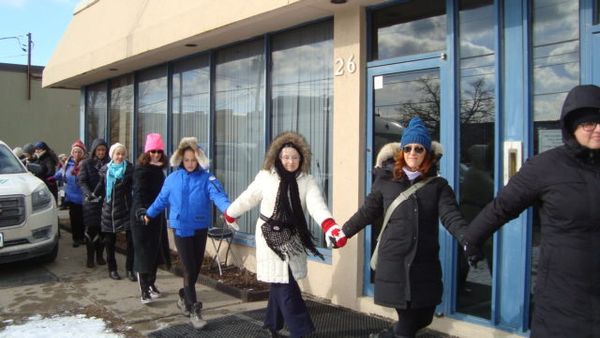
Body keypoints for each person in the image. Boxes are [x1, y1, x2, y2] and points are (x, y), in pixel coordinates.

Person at [463, 84, 600, 338]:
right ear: (572, 126)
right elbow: (502, 207)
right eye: (589, 124)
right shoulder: (546, 167)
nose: (598, 129)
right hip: (564, 298)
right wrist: (472, 239)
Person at [335, 117, 468, 338]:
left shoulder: (438, 186)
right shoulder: (386, 182)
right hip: (395, 262)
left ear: (427, 153)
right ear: (401, 151)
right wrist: (343, 232)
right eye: (408, 148)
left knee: (424, 317)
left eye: (418, 148)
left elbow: (451, 216)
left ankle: (387, 335)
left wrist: (466, 238)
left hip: (424, 265)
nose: (412, 153)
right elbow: (367, 212)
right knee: (407, 324)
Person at [223, 131, 344, 338]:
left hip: (293, 239)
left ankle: (272, 324)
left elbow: (317, 206)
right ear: (278, 157)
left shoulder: (307, 181)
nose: (290, 161)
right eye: (286, 157)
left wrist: (330, 226)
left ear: (301, 158)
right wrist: (231, 213)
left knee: (280, 282)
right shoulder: (266, 177)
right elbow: (247, 198)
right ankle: (301, 331)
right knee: (285, 285)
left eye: (295, 157)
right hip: (269, 236)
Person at [142, 137, 232, 329]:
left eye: (193, 160)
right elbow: (161, 200)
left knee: (195, 269)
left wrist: (229, 212)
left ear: (199, 160)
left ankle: (184, 296)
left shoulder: (208, 178)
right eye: (187, 160)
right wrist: (149, 213)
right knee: (189, 269)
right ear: (181, 160)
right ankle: (194, 309)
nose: (190, 163)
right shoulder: (172, 179)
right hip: (181, 228)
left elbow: (219, 197)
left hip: (200, 227)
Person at [130, 133, 168, 304]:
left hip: (156, 215)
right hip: (142, 217)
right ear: (147, 152)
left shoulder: (159, 171)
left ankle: (151, 284)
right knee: (143, 254)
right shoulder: (141, 171)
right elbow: (138, 193)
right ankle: (143, 289)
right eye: (153, 151)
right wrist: (141, 211)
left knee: (154, 252)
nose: (156, 155)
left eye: (159, 151)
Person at [94, 142, 135, 281]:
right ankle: (112, 269)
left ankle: (130, 269)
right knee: (109, 242)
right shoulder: (106, 169)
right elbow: (101, 185)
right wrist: (93, 195)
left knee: (131, 241)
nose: (120, 156)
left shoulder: (129, 169)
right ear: (112, 155)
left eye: (123, 154)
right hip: (109, 210)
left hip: (126, 208)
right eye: (118, 154)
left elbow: (135, 186)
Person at [78, 138, 109, 268]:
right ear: (94, 151)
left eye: (103, 150)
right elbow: (82, 181)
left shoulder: (110, 163)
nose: (101, 152)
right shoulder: (86, 163)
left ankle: (100, 256)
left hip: (105, 201)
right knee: (91, 230)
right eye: (99, 150)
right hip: (90, 202)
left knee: (103, 230)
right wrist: (89, 194)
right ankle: (90, 257)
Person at [54, 140, 87, 248]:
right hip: (71, 197)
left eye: (79, 152)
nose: (77, 154)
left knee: (83, 219)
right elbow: (60, 174)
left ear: (83, 153)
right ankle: (76, 239)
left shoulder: (86, 163)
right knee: (74, 219)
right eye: (75, 152)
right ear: (72, 153)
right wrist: (51, 178)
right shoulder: (68, 164)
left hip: (83, 197)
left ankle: (82, 237)